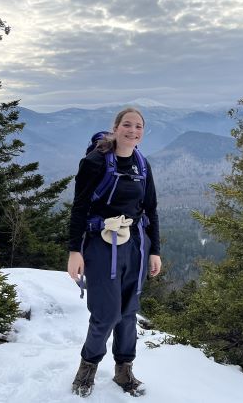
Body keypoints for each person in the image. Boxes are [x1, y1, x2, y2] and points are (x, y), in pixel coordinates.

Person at [67, 107, 161, 397]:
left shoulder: (141, 165)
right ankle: (87, 368)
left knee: (129, 312)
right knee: (106, 314)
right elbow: (80, 208)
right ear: (116, 127)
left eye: (139, 127)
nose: (133, 131)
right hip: (101, 244)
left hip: (135, 245)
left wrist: (155, 250)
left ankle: (124, 370)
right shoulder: (95, 162)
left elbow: (151, 209)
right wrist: (74, 251)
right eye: (128, 125)